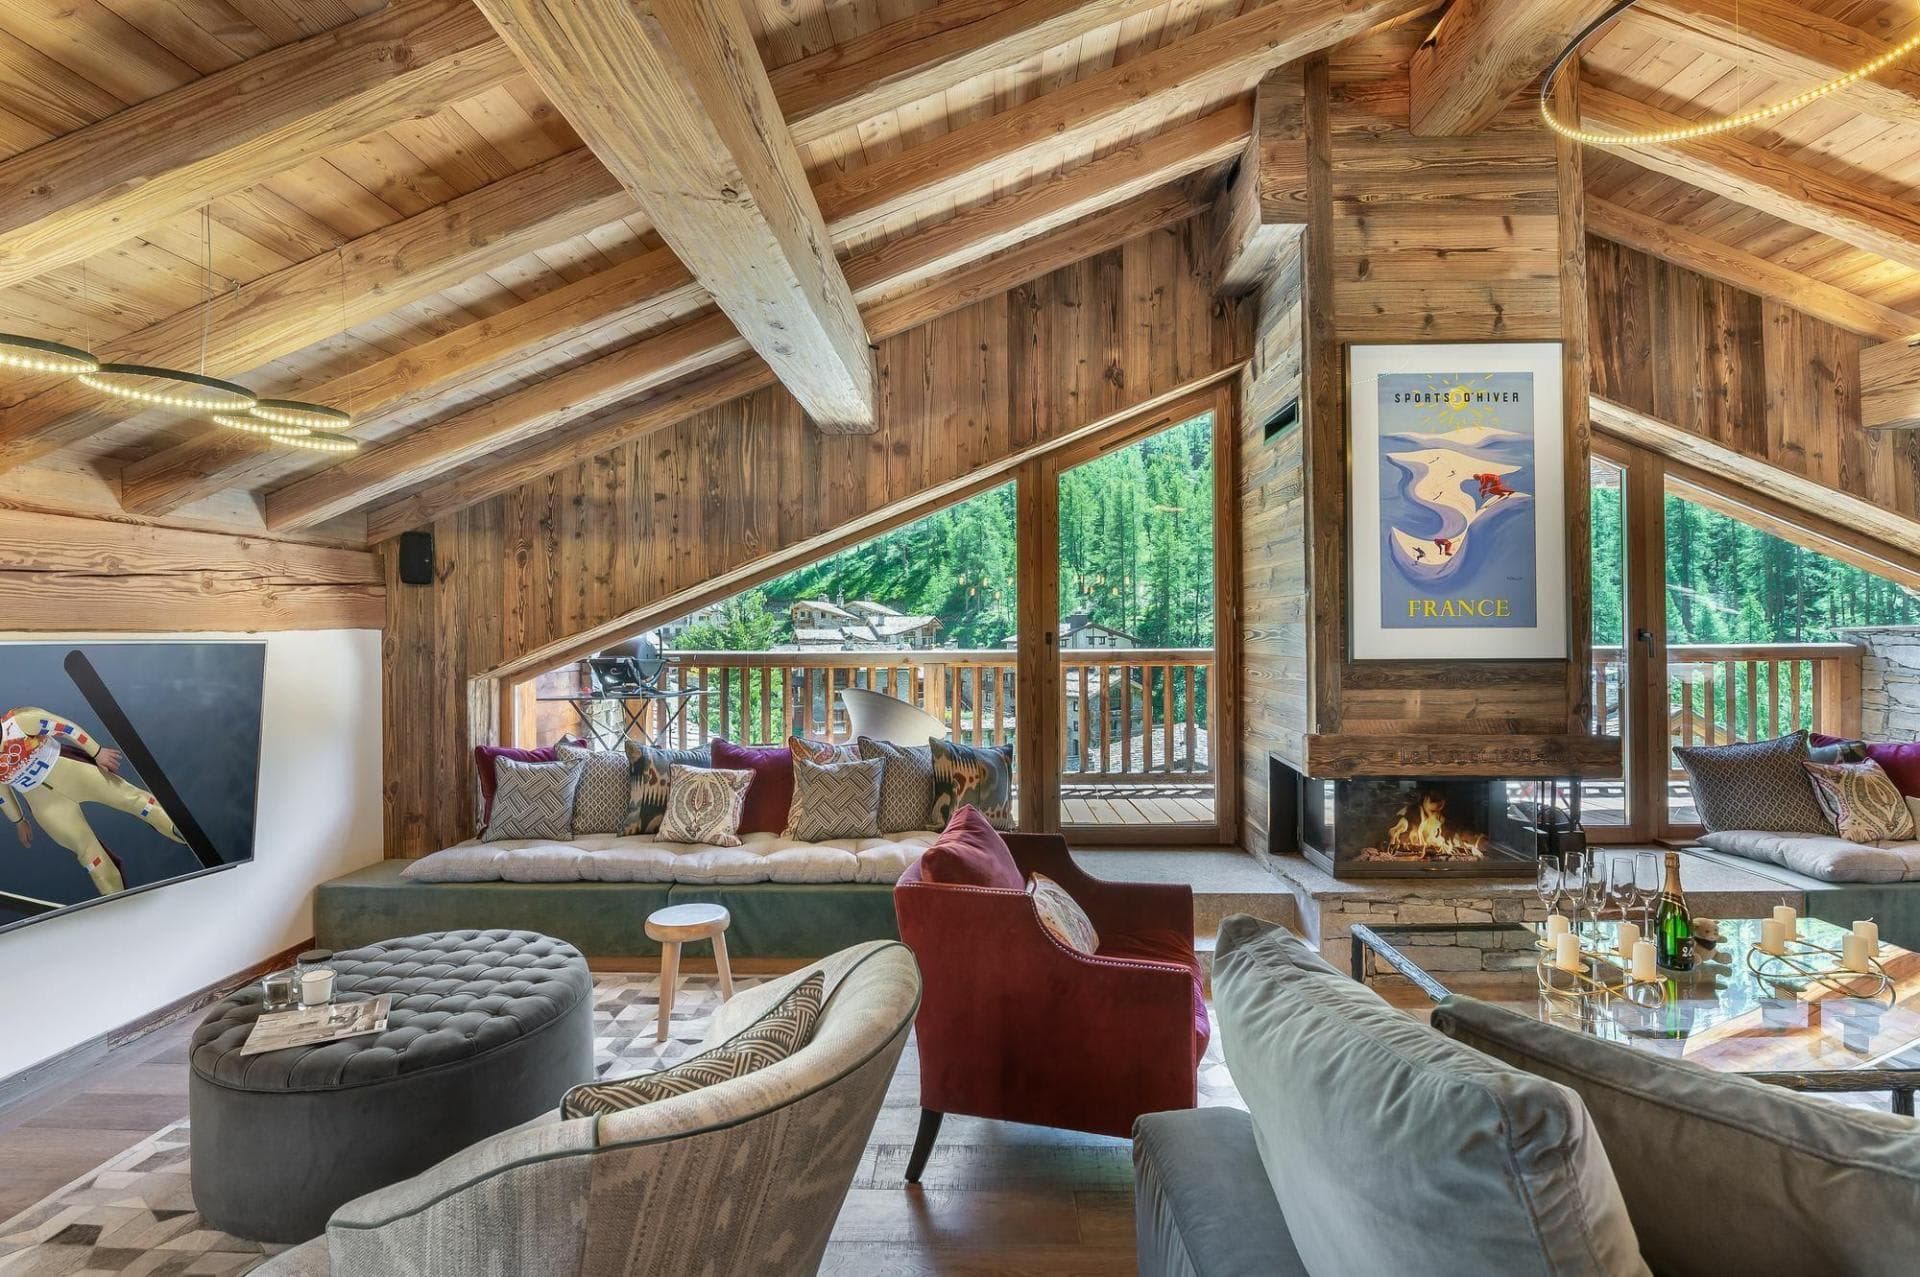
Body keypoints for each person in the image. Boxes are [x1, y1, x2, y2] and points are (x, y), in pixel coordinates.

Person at [0, 707, 184, 896]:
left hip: (76, 773)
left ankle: (181, 830)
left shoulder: (18, 723)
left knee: (133, 800)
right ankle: (114, 898)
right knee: (89, 855)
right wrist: (18, 820)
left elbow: (66, 728)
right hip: (48, 806)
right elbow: (2, 794)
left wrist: (97, 752)